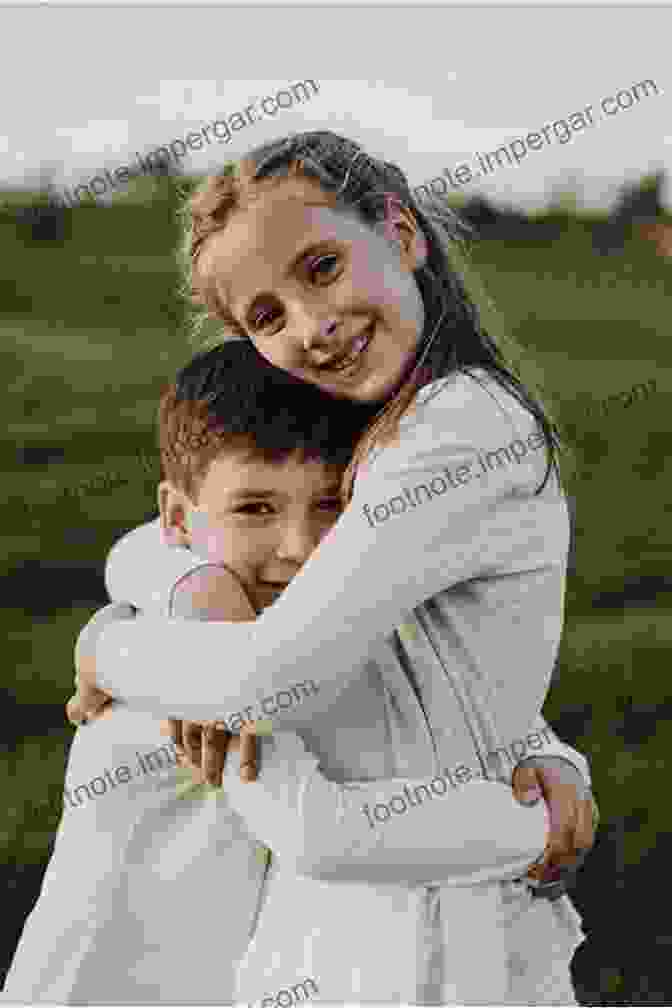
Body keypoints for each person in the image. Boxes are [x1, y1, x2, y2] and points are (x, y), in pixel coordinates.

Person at [68, 130, 596, 1002]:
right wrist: (191, 590)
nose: (312, 326)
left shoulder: (458, 429)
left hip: (438, 949)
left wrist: (108, 654)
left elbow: (269, 686)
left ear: (400, 233)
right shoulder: (371, 423)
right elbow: (175, 539)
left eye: (321, 267)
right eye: (267, 317)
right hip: (336, 935)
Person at [3, 341, 589, 1005]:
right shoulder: (181, 668)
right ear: (175, 518)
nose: (301, 548)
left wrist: (549, 756)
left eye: (333, 506)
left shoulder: (299, 639)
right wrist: (536, 827)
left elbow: (426, 700)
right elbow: (322, 832)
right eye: (255, 509)